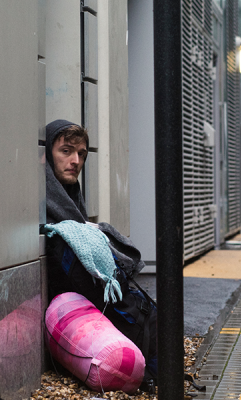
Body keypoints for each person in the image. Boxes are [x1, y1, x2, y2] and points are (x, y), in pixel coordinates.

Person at [43, 119, 158, 385]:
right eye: (66, 151)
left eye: (81, 154)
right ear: (47, 153)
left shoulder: (71, 200)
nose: (76, 161)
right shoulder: (43, 205)